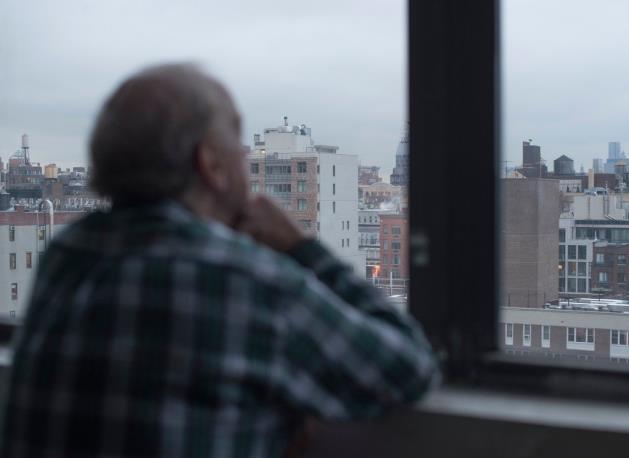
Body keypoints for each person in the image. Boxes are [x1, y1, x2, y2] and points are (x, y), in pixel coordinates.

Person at [0, 63, 439, 457]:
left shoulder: (66, 255)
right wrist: (302, 249)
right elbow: (409, 368)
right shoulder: (243, 280)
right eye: (238, 141)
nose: (246, 156)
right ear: (211, 163)